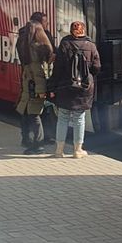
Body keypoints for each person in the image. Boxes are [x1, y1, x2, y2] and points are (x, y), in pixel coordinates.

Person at [48, 20, 101, 159]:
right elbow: (96, 67)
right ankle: (78, 150)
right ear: (84, 30)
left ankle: (59, 150)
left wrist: (52, 86)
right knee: (79, 118)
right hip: (83, 87)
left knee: (63, 117)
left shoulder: (64, 44)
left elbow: (57, 69)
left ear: (71, 31)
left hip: (66, 86)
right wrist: (87, 77)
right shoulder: (91, 46)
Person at [15, 12, 55, 154]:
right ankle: (39, 144)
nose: (47, 26)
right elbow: (42, 71)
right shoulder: (40, 47)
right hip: (37, 86)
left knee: (26, 111)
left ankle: (26, 138)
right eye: (46, 23)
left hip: (27, 84)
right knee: (36, 113)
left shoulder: (23, 42)